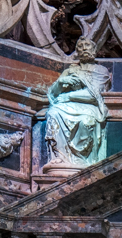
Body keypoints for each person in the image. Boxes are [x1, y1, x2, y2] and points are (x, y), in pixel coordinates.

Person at [44, 38, 109, 172]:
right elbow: (53, 94)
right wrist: (61, 82)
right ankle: (60, 156)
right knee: (53, 112)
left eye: (87, 46)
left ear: (94, 50)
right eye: (80, 46)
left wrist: (67, 96)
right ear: (77, 51)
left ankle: (82, 160)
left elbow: (94, 95)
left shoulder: (100, 71)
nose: (84, 48)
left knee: (86, 121)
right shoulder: (70, 70)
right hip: (67, 105)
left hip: (88, 106)